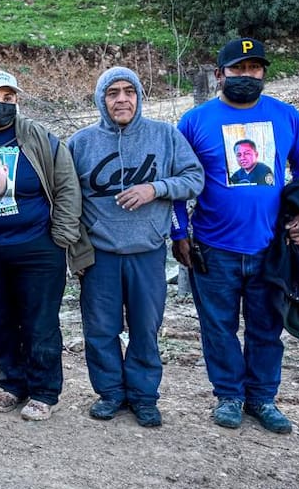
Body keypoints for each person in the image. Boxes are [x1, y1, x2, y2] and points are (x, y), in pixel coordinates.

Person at [172, 37, 299, 433]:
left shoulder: (286, 117)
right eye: (238, 68)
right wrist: (179, 232)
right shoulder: (195, 121)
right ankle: (229, 396)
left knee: (266, 328)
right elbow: (178, 180)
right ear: (220, 74)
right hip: (212, 248)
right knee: (218, 328)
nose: (247, 75)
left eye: (255, 68)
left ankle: (262, 399)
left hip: (272, 247)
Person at [0, 70, 93, 422]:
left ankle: (44, 390)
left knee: (40, 322)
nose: (1, 104)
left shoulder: (39, 138)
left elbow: (67, 185)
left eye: (8, 98)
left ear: (17, 101)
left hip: (37, 249)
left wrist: (61, 236)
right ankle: (12, 383)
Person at [68, 66, 204, 427]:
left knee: (146, 328)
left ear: (140, 97)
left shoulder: (165, 136)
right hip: (100, 255)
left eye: (129, 92)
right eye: (113, 93)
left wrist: (155, 189)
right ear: (101, 99)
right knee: (100, 329)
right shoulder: (80, 143)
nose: (122, 99)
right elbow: (66, 197)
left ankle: (144, 396)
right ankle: (111, 393)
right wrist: (74, 251)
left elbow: (194, 178)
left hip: (147, 250)